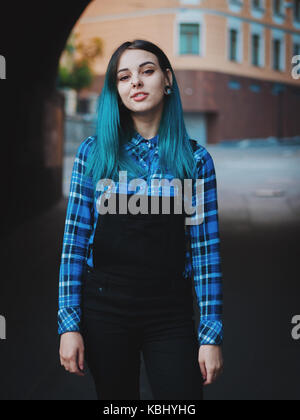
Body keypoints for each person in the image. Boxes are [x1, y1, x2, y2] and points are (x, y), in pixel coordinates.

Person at [58, 39, 224, 400]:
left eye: (146, 71)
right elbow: (74, 244)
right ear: (116, 91)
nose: (135, 81)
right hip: (105, 310)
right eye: (124, 76)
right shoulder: (94, 153)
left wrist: (210, 334)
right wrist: (69, 325)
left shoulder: (195, 161)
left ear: (167, 80)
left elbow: (205, 252)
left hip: (170, 314)